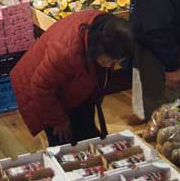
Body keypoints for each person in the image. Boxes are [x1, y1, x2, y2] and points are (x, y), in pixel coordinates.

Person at [10, 10, 134, 144]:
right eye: (109, 61)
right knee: (64, 142)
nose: (110, 65)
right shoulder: (65, 51)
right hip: (41, 90)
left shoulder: (105, 28)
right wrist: (59, 121)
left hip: (72, 85)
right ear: (98, 47)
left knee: (86, 135)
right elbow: (40, 87)